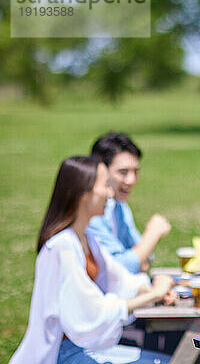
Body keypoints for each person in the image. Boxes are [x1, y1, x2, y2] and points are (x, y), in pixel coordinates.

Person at [10, 156, 176, 364]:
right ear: (83, 194)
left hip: (82, 349)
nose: (110, 193)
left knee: (172, 360)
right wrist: (152, 295)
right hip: (60, 355)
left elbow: (120, 279)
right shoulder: (61, 248)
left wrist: (152, 290)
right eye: (105, 185)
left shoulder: (87, 238)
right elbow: (90, 311)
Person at [88, 133, 171, 274]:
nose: (131, 180)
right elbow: (121, 268)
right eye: (123, 172)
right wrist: (153, 232)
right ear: (101, 171)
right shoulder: (92, 213)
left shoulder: (119, 206)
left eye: (136, 172)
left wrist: (139, 256)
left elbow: (144, 259)